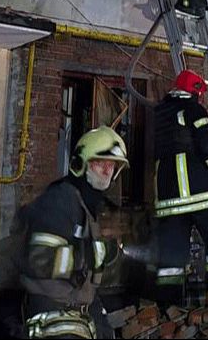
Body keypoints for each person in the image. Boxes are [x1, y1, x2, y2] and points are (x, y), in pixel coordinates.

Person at [18, 127, 129, 338]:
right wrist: (84, 255)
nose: (107, 171)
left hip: (81, 312)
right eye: (100, 163)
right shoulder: (60, 200)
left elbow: (89, 279)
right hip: (53, 313)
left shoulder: (90, 208)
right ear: (81, 164)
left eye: (112, 165)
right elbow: (40, 258)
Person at [152, 70, 208, 302]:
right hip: (195, 192)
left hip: (166, 197)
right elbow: (207, 145)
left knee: (172, 253)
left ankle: (167, 307)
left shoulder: (159, 113)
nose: (200, 98)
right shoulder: (193, 110)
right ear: (194, 92)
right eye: (199, 93)